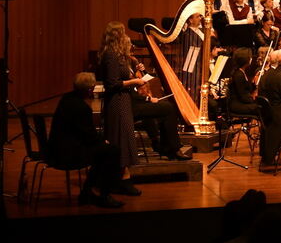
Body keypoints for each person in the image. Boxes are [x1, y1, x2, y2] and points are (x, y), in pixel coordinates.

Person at [97, 22, 190, 193]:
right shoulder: (110, 55)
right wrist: (135, 81)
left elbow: (125, 77)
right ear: (117, 36)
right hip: (120, 102)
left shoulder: (120, 56)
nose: (127, 37)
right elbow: (112, 84)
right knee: (122, 140)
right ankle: (123, 178)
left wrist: (137, 69)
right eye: (123, 33)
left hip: (127, 100)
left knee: (163, 109)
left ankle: (162, 148)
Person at [47, 72, 123, 208]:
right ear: (90, 89)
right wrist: (102, 141)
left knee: (104, 152)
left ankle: (88, 191)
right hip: (68, 154)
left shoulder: (66, 99)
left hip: (56, 148)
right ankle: (104, 194)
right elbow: (89, 136)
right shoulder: (82, 108)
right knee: (112, 151)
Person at [226, 50, 259, 118]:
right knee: (261, 108)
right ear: (245, 60)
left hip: (242, 102)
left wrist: (254, 83)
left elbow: (247, 90)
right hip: (237, 105)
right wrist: (255, 100)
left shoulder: (242, 72)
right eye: (250, 57)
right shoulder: (239, 75)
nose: (251, 58)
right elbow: (243, 96)